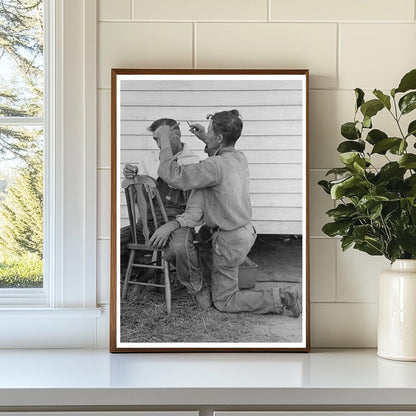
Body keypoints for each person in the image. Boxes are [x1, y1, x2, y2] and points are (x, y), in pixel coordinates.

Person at [149, 110, 301, 317]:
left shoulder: (214, 166)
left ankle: (281, 297)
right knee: (201, 239)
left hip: (229, 240)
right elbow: (219, 159)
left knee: (224, 301)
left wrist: (165, 141)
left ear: (219, 138)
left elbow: (173, 176)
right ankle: (212, 280)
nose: (206, 134)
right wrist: (206, 138)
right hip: (243, 231)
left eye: (210, 132)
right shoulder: (238, 157)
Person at [122, 118, 203, 296]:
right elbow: (139, 197)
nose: (159, 144)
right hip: (149, 222)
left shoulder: (193, 162)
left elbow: (195, 207)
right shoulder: (150, 159)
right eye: (156, 140)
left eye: (162, 139)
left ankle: (194, 288)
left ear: (177, 135)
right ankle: (140, 274)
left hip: (177, 223)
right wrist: (132, 175)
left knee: (179, 248)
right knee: (114, 242)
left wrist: (172, 225)